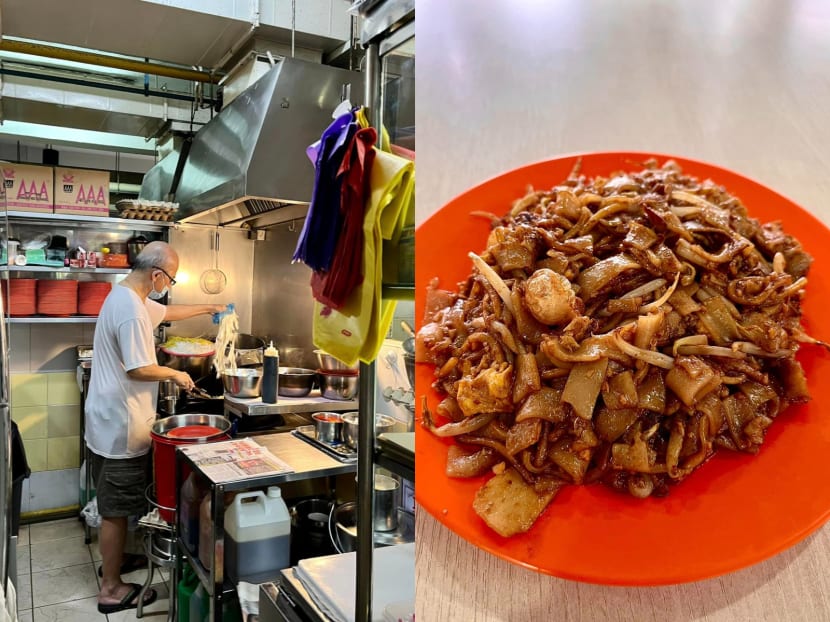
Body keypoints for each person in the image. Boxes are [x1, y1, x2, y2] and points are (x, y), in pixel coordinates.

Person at [85, 241, 227, 614]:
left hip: (106, 419)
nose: (169, 284)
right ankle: (111, 588)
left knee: (112, 502)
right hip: (122, 423)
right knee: (115, 509)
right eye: (171, 278)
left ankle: (116, 562)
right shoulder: (131, 310)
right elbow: (138, 369)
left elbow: (167, 312)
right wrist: (177, 374)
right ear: (157, 275)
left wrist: (210, 306)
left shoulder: (125, 293)